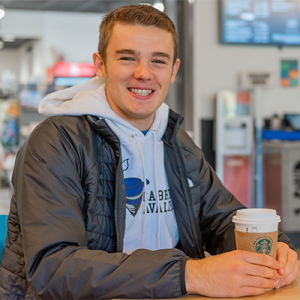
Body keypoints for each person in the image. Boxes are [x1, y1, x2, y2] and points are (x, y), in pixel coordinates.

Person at [0, 4, 298, 300]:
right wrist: (189, 274)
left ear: (173, 70)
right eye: (127, 58)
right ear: (100, 64)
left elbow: (221, 219)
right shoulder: (56, 142)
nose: (143, 73)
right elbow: (54, 269)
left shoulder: (176, 139)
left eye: (158, 61)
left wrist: (273, 248)